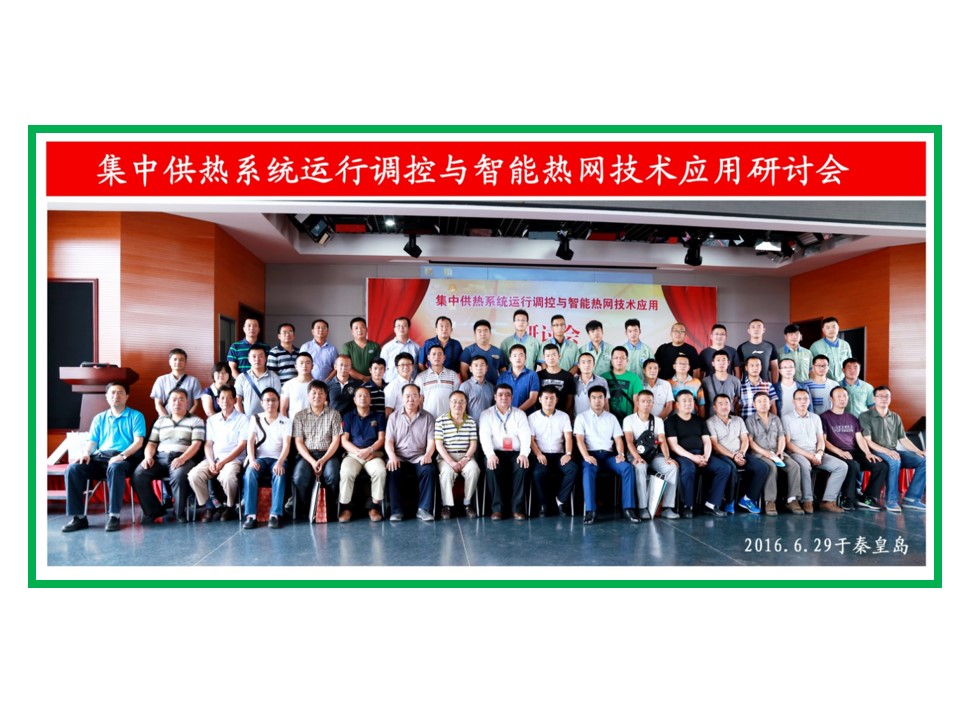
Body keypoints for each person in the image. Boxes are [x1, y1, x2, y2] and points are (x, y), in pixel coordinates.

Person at [62, 382, 146, 533]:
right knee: (73, 469)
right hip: (100, 458)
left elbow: (138, 442)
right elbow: (92, 442)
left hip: (125, 459)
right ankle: (79, 517)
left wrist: (122, 456)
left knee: (115, 467)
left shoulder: (136, 416)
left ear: (127, 396)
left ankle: (114, 516)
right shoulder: (99, 418)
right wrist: (86, 453)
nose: (116, 396)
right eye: (112, 393)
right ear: (107, 397)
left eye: (120, 392)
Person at [131, 388, 205, 524]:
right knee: (138, 475)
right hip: (160, 458)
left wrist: (182, 458)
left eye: (181, 399)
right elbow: (151, 444)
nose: (177, 402)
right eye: (174, 399)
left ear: (187, 402)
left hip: (184, 457)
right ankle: (153, 510)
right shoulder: (160, 421)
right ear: (168, 403)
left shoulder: (196, 421)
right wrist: (148, 457)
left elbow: (196, 444)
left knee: (179, 476)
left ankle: (179, 513)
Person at [574, 386, 638, 525]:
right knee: (588, 470)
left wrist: (621, 454)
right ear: (589, 400)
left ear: (605, 400)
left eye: (600, 397)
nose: (597, 401)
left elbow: (618, 439)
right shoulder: (581, 417)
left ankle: (628, 509)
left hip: (609, 456)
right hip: (591, 455)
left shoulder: (611, 418)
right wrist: (586, 456)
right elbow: (579, 440)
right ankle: (591, 511)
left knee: (627, 467)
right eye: (594, 398)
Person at [665, 390, 733, 518]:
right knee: (689, 469)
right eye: (684, 401)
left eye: (690, 401)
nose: (688, 403)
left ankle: (711, 504)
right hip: (682, 456)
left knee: (724, 468)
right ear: (677, 405)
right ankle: (687, 506)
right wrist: (693, 458)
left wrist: (705, 457)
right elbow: (674, 446)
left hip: (701, 454)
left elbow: (707, 441)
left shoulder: (700, 420)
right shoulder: (671, 421)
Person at [859, 386, 927, 512]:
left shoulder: (895, 416)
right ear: (874, 398)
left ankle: (911, 499)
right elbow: (868, 441)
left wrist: (918, 451)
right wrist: (887, 451)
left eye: (887, 396)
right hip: (876, 451)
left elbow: (903, 439)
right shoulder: (865, 416)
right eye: (880, 396)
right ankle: (891, 501)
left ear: (890, 398)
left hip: (892, 450)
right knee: (894, 460)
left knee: (924, 460)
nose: (883, 399)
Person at [821, 386, 889, 512]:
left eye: (844, 396)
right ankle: (847, 498)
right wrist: (840, 451)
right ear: (831, 399)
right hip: (834, 452)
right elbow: (823, 441)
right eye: (839, 396)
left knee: (880, 465)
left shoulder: (852, 418)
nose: (842, 399)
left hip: (853, 451)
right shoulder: (824, 417)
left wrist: (867, 453)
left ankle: (868, 497)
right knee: (851, 465)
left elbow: (859, 438)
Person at [188, 385, 248, 522]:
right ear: (217, 401)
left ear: (235, 400)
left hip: (233, 459)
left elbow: (241, 446)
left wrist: (222, 462)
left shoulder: (243, 419)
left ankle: (230, 507)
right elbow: (208, 444)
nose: (225, 401)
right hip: (213, 459)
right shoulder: (212, 420)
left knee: (228, 477)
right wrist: (211, 461)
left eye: (229, 398)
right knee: (194, 475)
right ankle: (210, 507)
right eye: (222, 398)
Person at [782, 388, 848, 513]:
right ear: (793, 401)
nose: (803, 401)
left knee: (841, 466)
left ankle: (828, 501)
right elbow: (788, 444)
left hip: (815, 452)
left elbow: (821, 439)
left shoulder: (815, 418)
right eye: (799, 399)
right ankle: (807, 500)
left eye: (805, 399)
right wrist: (809, 456)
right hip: (797, 453)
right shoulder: (786, 418)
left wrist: (819, 453)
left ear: (809, 401)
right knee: (805, 465)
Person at [623, 390, 680, 519]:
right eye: (643, 401)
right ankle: (642, 508)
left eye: (649, 402)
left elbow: (662, 441)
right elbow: (629, 442)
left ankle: (667, 507)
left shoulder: (658, 421)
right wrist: (637, 457)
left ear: (653, 404)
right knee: (640, 467)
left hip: (653, 455)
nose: (646, 404)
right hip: (635, 455)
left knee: (672, 468)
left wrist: (667, 458)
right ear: (637, 403)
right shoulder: (629, 420)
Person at [745, 391, 804, 515]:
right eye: (759, 401)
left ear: (770, 403)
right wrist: (766, 453)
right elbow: (750, 442)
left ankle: (792, 499)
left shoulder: (776, 419)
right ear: (754, 404)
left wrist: (780, 451)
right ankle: (770, 501)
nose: (763, 404)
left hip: (777, 452)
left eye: (765, 401)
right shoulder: (750, 420)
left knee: (794, 466)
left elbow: (781, 437)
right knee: (771, 467)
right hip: (760, 454)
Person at [291, 382, 343, 521]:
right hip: (307, 456)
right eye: (314, 393)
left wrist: (323, 460)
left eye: (321, 393)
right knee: (299, 477)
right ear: (308, 396)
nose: (317, 396)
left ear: (326, 396)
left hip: (328, 454)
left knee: (332, 476)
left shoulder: (334, 414)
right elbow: (298, 442)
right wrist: (313, 461)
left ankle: (329, 509)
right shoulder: (299, 416)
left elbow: (336, 441)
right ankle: (305, 507)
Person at [706, 394, 767, 514]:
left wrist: (741, 453)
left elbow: (745, 439)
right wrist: (733, 456)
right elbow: (715, 444)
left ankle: (748, 499)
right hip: (721, 455)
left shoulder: (738, 420)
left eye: (726, 403)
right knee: (732, 468)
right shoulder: (710, 422)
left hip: (740, 453)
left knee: (762, 468)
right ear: (714, 407)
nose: (724, 406)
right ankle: (729, 501)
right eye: (720, 404)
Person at [479, 384, 531, 520]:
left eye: (508, 395)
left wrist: (524, 454)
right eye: (500, 395)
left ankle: (517, 509)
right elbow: (484, 437)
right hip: (495, 452)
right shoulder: (486, 414)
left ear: (512, 397)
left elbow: (525, 436)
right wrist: (490, 455)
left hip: (515, 453)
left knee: (522, 466)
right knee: (491, 466)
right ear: (495, 397)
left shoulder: (520, 414)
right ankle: (497, 509)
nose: (504, 397)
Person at [385, 384, 437, 521]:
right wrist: (392, 456)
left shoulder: (428, 417)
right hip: (399, 457)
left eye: (414, 396)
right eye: (407, 396)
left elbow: (432, 441)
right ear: (402, 398)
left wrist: (428, 455)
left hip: (420, 457)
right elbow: (388, 441)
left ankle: (423, 509)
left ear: (420, 398)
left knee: (429, 470)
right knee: (392, 470)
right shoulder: (393, 417)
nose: (411, 399)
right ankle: (396, 511)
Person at [241, 388, 291, 529]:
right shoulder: (255, 418)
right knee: (250, 473)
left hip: (277, 459)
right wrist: (252, 460)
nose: (270, 403)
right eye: (267, 400)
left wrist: (280, 462)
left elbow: (286, 445)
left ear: (278, 402)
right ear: (262, 403)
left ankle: (274, 515)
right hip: (260, 458)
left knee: (279, 474)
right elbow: (250, 441)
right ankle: (251, 516)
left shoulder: (286, 421)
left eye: (274, 400)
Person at [339, 385, 388, 522]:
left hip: (373, 454)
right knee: (346, 472)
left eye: (366, 395)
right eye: (359, 395)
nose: (363, 398)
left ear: (370, 398)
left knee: (380, 471)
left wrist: (369, 450)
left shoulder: (378, 416)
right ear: (354, 400)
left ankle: (374, 507)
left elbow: (382, 439)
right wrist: (358, 452)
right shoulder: (348, 416)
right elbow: (344, 440)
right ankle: (346, 507)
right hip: (353, 454)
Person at [528, 386, 577, 516]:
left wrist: (568, 454)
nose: (549, 401)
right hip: (540, 454)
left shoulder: (563, 416)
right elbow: (531, 440)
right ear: (540, 399)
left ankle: (561, 500)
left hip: (559, 454)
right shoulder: (532, 417)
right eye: (546, 398)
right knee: (538, 473)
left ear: (556, 400)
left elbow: (568, 437)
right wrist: (538, 454)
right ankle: (543, 504)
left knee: (572, 469)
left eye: (552, 398)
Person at [434, 391, 481, 519]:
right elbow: (439, 445)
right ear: (449, 403)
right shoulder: (440, 420)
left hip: (466, 456)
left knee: (474, 469)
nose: (458, 405)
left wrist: (465, 459)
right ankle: (447, 506)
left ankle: (467, 503)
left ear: (466, 404)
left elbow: (473, 444)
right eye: (454, 401)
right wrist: (451, 462)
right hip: (446, 457)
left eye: (461, 402)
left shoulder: (471, 421)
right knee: (446, 473)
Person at [150, 348, 202, 417]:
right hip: (165, 419)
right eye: (175, 359)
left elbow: (197, 404)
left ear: (185, 362)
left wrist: (185, 419)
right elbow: (158, 404)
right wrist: (168, 419)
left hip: (188, 420)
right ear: (169, 362)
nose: (178, 362)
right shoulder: (161, 380)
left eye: (181, 360)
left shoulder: (193, 381)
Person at [416, 345, 462, 418]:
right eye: (434, 354)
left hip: (448, 419)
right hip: (428, 419)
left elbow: (457, 399)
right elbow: (419, 401)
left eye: (440, 354)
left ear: (444, 357)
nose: (437, 356)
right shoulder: (420, 377)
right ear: (428, 357)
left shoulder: (453, 375)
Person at [234, 346, 282, 416]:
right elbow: (237, 401)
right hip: (248, 420)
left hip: (269, 419)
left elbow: (279, 400)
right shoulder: (242, 377)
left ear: (266, 358)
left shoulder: (274, 377)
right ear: (249, 359)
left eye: (261, 356)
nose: (257, 359)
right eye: (254, 356)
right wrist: (243, 418)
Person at [602, 345, 644, 423]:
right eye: (616, 358)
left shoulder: (634, 378)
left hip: (627, 422)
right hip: (607, 422)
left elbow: (637, 403)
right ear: (611, 361)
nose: (619, 360)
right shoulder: (603, 378)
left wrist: (633, 422)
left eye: (622, 358)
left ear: (627, 360)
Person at [497, 344, 540, 412]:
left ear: (525, 358)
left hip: (527, 415)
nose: (518, 358)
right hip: (506, 414)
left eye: (521, 355)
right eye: (515, 355)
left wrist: (516, 412)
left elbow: (533, 399)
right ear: (510, 359)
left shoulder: (532, 375)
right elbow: (498, 397)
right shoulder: (503, 376)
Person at [537, 343, 576, 416]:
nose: (551, 358)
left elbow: (570, 398)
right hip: (541, 416)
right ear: (544, 358)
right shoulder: (538, 375)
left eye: (554, 355)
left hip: (561, 415)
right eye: (548, 356)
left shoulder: (568, 376)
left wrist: (563, 414)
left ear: (559, 356)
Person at [809, 316, 852, 383]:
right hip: (824, 382)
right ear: (823, 330)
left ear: (838, 328)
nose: (831, 330)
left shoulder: (845, 345)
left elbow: (850, 364)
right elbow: (811, 368)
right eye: (828, 327)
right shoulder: (815, 346)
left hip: (843, 382)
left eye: (834, 327)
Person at [736, 318, 779, 383]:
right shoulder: (741, 347)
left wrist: (774, 384)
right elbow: (739, 369)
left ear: (763, 330)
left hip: (765, 384)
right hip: (746, 385)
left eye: (759, 327)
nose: (756, 329)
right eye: (753, 327)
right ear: (749, 331)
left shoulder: (770, 346)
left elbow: (775, 367)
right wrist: (738, 384)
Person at [460, 319, 502, 384]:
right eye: (479, 331)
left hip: (494, 387)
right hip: (474, 388)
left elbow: (503, 371)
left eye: (485, 331)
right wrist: (470, 386)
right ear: (475, 334)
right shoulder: (468, 351)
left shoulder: (498, 351)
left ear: (490, 333)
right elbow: (463, 371)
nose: (483, 334)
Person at [340, 316, 381, 382]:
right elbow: (346, 367)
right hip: (352, 381)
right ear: (352, 332)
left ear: (366, 329)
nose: (359, 330)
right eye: (356, 328)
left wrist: (372, 377)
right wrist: (363, 378)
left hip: (372, 380)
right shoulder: (347, 347)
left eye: (362, 327)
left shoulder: (375, 346)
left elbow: (379, 364)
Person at [380, 316, 420, 385]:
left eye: (404, 325)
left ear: (409, 328)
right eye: (398, 326)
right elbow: (382, 366)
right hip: (391, 384)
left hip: (411, 385)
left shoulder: (416, 347)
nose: (401, 328)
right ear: (394, 329)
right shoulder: (387, 347)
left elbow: (418, 367)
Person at [701, 350, 741, 417]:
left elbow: (737, 400)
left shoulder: (735, 381)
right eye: (718, 360)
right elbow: (702, 403)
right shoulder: (705, 381)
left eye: (723, 360)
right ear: (713, 363)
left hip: (730, 417)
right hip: (711, 417)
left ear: (728, 363)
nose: (721, 363)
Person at [572, 352, 609, 418]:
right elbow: (570, 402)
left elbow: (605, 403)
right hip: (577, 420)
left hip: (597, 420)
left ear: (594, 364)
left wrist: (606, 419)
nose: (586, 365)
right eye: (583, 362)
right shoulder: (573, 381)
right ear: (579, 365)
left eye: (589, 362)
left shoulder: (602, 381)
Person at [461, 354, 495, 423]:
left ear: (486, 368)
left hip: (488, 425)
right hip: (471, 425)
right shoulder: (465, 386)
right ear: (470, 369)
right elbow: (461, 407)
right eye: (476, 365)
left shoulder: (491, 387)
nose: (479, 368)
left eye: (482, 365)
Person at [300, 318, 337, 382]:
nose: (321, 330)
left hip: (328, 383)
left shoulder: (332, 349)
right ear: (313, 331)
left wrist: (327, 380)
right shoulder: (306, 347)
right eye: (318, 327)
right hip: (309, 382)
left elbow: (336, 367)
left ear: (327, 332)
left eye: (323, 328)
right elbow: (301, 365)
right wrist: (311, 380)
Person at [280, 352, 315, 418]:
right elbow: (283, 410)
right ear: (296, 366)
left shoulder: (318, 385)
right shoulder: (288, 385)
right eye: (301, 363)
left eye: (307, 363)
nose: (304, 366)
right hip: (294, 423)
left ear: (312, 366)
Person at [384, 352, 417, 416]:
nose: (406, 367)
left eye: (408, 364)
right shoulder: (392, 386)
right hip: (399, 421)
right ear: (397, 367)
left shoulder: (415, 383)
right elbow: (388, 411)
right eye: (402, 365)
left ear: (412, 366)